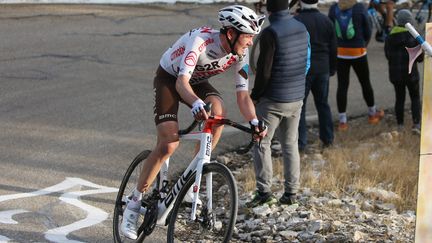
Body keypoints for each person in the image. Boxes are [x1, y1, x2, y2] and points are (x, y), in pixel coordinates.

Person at [120, 5, 267, 239]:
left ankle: (192, 177)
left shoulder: (241, 53)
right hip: (172, 79)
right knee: (169, 144)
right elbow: (181, 84)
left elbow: (242, 95)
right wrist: (196, 103)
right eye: (248, 36)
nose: (251, 42)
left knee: (218, 113)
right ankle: (134, 204)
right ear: (231, 33)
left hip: (196, 81)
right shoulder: (201, 41)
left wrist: (254, 121)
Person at [248, 0, 310, 207]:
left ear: (270, 8)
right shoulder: (301, 28)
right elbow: (306, 60)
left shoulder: (270, 32)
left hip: (273, 100)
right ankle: (291, 193)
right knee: (290, 144)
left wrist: (255, 95)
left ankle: (264, 192)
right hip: (296, 98)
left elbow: (264, 71)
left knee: (261, 143)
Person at [328, 0, 384, 131]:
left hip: (340, 53)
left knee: (342, 86)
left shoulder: (333, 8)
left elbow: (330, 29)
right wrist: (363, 44)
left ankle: (343, 121)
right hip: (358, 52)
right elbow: (368, 29)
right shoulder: (359, 7)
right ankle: (372, 114)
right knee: (365, 83)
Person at [294, 0, 337, 151]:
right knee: (323, 105)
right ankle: (328, 139)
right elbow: (333, 48)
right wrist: (332, 68)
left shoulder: (297, 21)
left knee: (300, 107)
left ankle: (300, 142)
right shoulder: (326, 20)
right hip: (323, 68)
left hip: (302, 70)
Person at [384, 9, 423, 133]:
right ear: (410, 21)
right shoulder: (414, 36)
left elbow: (387, 55)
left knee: (399, 98)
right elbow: (420, 58)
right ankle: (416, 124)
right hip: (412, 74)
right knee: (415, 97)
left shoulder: (390, 36)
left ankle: (400, 125)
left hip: (396, 75)